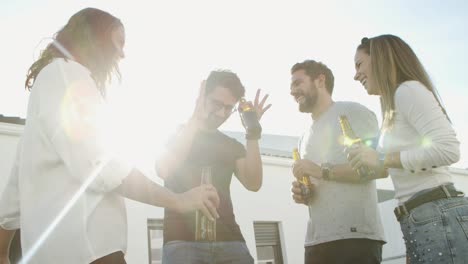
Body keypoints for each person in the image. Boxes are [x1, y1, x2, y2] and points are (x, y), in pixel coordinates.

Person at [0, 8, 219, 264]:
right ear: (95, 38)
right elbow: (103, 167)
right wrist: (179, 200)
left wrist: (3, 250)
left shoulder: (49, 87)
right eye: (119, 42)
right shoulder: (68, 75)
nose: (122, 53)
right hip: (91, 251)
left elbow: (15, 189)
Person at [349, 34, 468, 263]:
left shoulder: (408, 90)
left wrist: (383, 158)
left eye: (359, 64)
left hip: (436, 213)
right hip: (419, 219)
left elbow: (448, 149)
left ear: (382, 58)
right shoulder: (393, 104)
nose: (355, 75)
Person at [157, 70, 271, 264]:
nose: (221, 113)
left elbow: (253, 183)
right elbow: (164, 169)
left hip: (230, 243)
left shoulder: (230, 145)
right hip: (182, 243)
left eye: (229, 108)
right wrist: (195, 119)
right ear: (202, 98)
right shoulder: (177, 135)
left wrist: (252, 131)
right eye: (216, 104)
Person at [289, 60, 386, 264]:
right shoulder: (304, 136)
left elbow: (379, 168)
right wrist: (305, 193)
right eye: (291, 86)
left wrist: (319, 170)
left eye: (298, 83)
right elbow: (317, 183)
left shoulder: (352, 112)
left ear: (320, 81)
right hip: (316, 241)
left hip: (356, 238)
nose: (292, 91)